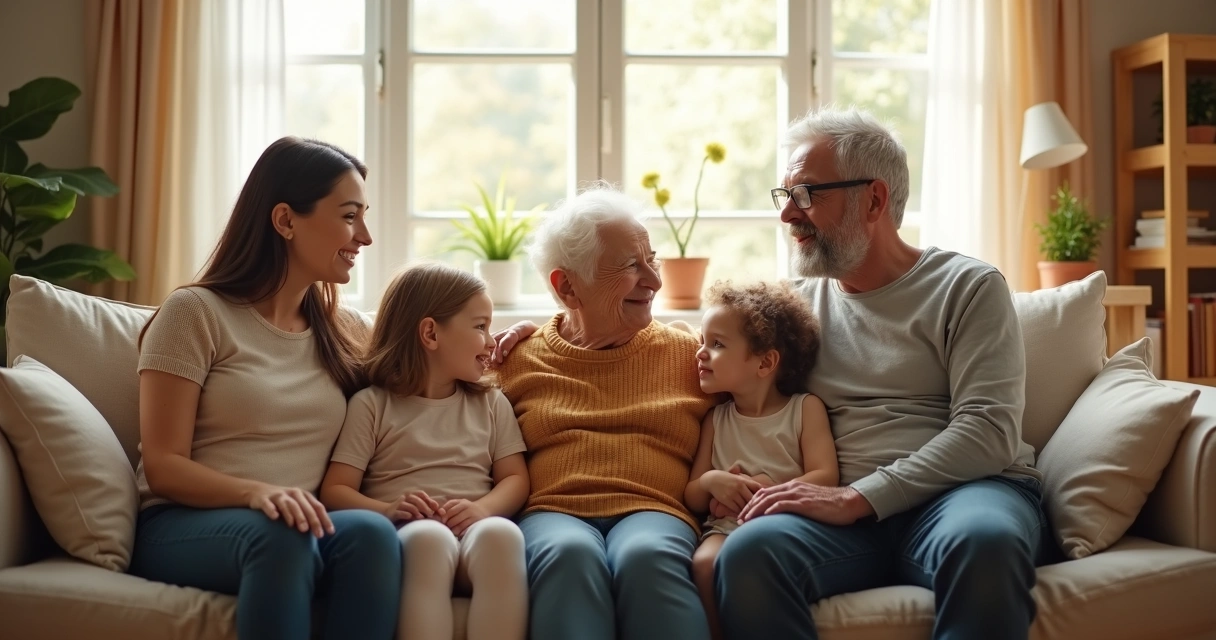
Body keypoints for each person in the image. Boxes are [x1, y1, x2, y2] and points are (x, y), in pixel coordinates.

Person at [714, 107, 1048, 640]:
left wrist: (860, 497)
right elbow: (717, 369)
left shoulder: (968, 287)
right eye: (785, 196)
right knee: (750, 554)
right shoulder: (794, 306)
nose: (788, 215)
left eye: (806, 194)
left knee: (987, 542)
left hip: (963, 494)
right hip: (841, 514)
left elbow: (989, 429)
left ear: (874, 199)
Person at [129, 137, 402, 640]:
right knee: (283, 537)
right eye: (349, 216)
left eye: (364, 216)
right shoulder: (195, 314)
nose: (364, 235)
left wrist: (510, 344)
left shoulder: (346, 331)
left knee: (374, 535)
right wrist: (257, 494)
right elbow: (164, 466)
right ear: (285, 220)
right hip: (185, 524)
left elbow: (430, 369)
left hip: (294, 525)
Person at [492, 186, 717, 640]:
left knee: (647, 555)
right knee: (569, 554)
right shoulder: (514, 358)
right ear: (567, 286)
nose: (654, 279)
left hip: (655, 510)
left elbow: (765, 385)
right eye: (632, 265)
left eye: (652, 259)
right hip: (553, 511)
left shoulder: (691, 353)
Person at [319, 262, 530, 640]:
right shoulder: (372, 405)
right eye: (480, 326)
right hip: (410, 537)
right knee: (429, 539)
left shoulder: (491, 403)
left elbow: (515, 478)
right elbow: (336, 490)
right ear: (431, 333)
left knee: (504, 535)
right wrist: (386, 510)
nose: (490, 340)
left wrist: (482, 510)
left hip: (475, 534)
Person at [684, 280, 838, 639]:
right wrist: (712, 482)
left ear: (765, 362)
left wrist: (777, 492)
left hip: (788, 522)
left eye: (717, 344)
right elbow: (691, 494)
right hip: (725, 527)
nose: (701, 353)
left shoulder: (804, 409)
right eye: (702, 342)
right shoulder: (716, 418)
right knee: (704, 564)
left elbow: (826, 475)